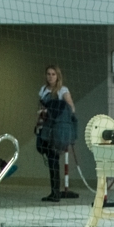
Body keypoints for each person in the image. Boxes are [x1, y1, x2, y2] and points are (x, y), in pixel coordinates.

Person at [36, 65, 75, 203]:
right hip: (46, 127)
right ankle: (54, 191)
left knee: (53, 159)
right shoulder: (43, 90)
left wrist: (53, 110)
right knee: (46, 154)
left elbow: (71, 109)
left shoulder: (63, 91)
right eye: (48, 74)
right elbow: (41, 108)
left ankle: (55, 192)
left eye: (53, 74)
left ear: (57, 76)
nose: (50, 76)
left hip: (57, 129)